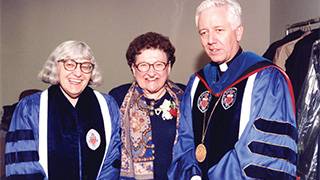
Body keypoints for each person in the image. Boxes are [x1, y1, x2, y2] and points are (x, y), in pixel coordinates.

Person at [168, 0, 297, 179]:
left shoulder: (266, 79)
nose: (210, 40)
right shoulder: (197, 83)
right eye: (203, 32)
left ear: (238, 32)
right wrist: (192, 174)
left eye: (219, 30)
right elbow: (185, 139)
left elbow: (265, 154)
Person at [5, 40, 121, 179]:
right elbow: (22, 167)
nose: (78, 73)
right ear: (55, 67)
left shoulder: (107, 106)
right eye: (70, 64)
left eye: (85, 66)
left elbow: (112, 162)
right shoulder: (31, 108)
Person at [109, 32, 184, 180]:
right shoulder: (117, 98)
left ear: (168, 67)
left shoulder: (185, 96)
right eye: (143, 65)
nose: (151, 72)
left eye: (158, 65)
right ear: (133, 68)